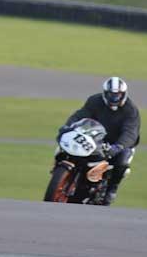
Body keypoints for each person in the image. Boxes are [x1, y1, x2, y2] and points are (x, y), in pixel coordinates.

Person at [58, 76, 140, 205]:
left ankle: (112, 189)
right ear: (105, 93)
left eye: (118, 95)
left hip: (119, 143)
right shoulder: (95, 101)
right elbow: (80, 115)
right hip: (95, 137)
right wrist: (68, 126)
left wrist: (118, 146)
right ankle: (64, 172)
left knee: (122, 163)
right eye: (111, 95)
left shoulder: (131, 110)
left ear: (123, 94)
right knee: (70, 147)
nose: (114, 98)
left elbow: (130, 133)